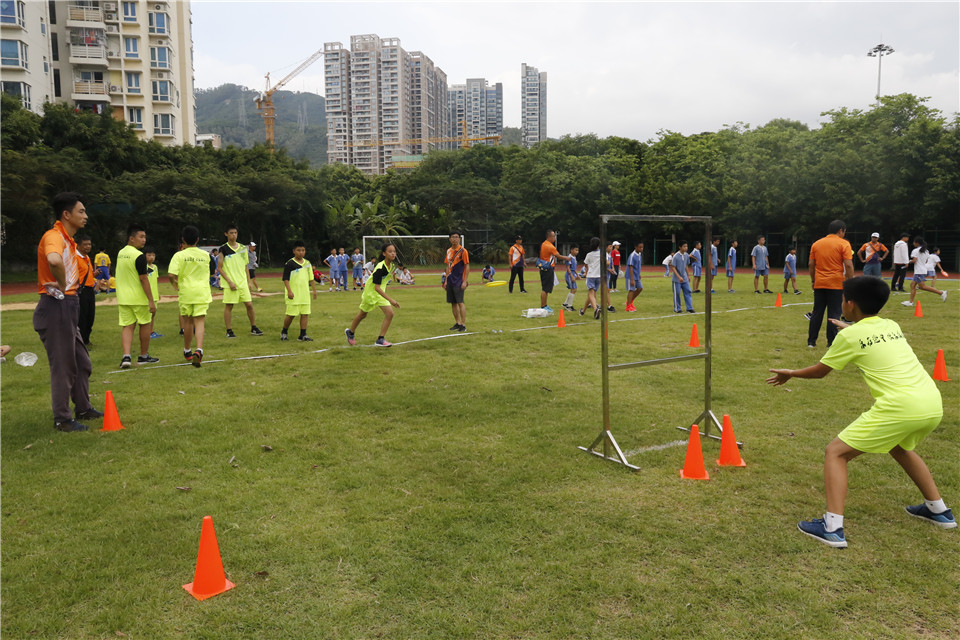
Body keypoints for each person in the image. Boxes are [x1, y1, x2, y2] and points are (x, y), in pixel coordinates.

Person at [766, 276, 955, 548]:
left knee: (836, 452)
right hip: (931, 403)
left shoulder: (850, 336)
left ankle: (832, 527)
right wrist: (848, 328)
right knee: (900, 447)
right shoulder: (891, 325)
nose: (842, 302)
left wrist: (791, 373)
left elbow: (820, 372)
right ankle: (939, 510)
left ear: (850, 304)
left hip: (899, 407)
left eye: (843, 298)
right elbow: (868, 336)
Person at [34, 192, 101, 431]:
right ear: (66, 214)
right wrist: (62, 284)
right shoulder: (54, 236)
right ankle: (62, 419)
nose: (85, 216)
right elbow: (53, 260)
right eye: (81, 211)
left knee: (82, 363)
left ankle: (83, 408)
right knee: (63, 366)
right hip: (56, 307)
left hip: (68, 306)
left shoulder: (70, 241)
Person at [168, 225, 211, 368]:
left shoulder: (179, 255)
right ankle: (199, 349)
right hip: (202, 291)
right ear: (198, 240)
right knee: (200, 321)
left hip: (186, 291)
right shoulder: (205, 255)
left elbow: (171, 275)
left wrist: (174, 284)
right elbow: (210, 272)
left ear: (183, 240)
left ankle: (187, 350)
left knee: (187, 322)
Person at [116, 223, 158, 369]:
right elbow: (143, 278)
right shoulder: (139, 256)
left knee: (127, 326)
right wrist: (151, 301)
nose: (144, 240)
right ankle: (143, 355)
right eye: (141, 237)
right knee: (145, 325)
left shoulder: (121, 253)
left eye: (145, 237)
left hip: (123, 298)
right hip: (138, 298)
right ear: (131, 238)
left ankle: (126, 356)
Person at [808, 220, 854, 348]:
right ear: (841, 230)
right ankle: (831, 342)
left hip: (820, 282)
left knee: (817, 312)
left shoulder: (817, 244)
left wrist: (813, 279)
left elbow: (811, 264)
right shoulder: (844, 244)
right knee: (834, 313)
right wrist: (850, 281)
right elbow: (848, 265)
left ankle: (811, 341)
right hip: (836, 283)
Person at [345, 243, 401, 347]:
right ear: (384, 253)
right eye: (390, 251)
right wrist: (391, 300)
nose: (393, 253)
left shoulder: (392, 266)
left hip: (380, 294)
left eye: (394, 251)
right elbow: (376, 287)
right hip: (371, 293)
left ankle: (380, 339)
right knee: (363, 314)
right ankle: (350, 332)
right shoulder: (380, 267)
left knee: (390, 314)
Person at [219, 224, 264, 338]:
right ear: (226, 234)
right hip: (231, 283)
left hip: (242, 282)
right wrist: (229, 282)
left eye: (235, 233)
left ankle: (253, 327)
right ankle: (229, 331)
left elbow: (245, 266)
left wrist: (248, 282)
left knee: (249, 305)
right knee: (229, 306)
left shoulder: (243, 248)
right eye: (231, 233)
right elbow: (219, 267)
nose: (233, 235)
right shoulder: (223, 249)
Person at [281, 240, 318, 341]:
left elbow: (311, 278)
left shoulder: (307, 263)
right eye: (298, 250)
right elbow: (285, 279)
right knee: (291, 315)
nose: (301, 252)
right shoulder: (290, 263)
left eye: (303, 250)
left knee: (305, 314)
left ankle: (303, 335)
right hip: (293, 294)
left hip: (304, 294)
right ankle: (284, 332)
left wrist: (314, 291)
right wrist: (289, 291)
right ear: (294, 251)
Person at [902, 237, 947, 307]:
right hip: (923, 270)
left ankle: (941, 292)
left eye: (914, 242)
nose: (913, 243)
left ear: (917, 243)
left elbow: (914, 260)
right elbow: (926, 260)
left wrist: (907, 262)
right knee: (912, 285)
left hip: (919, 271)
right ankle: (910, 302)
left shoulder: (915, 251)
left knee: (922, 286)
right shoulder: (926, 251)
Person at [443, 231, 470, 332]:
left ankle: (463, 324)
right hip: (450, 280)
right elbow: (447, 266)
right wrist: (445, 280)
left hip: (459, 280)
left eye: (456, 237)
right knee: (453, 303)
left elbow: (467, 266)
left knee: (460, 302)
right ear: (450, 239)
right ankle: (457, 322)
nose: (454, 239)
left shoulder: (463, 251)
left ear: (459, 239)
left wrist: (465, 281)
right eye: (453, 237)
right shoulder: (448, 251)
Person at [538, 230, 571, 312]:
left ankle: (544, 305)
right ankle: (543, 306)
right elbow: (558, 256)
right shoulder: (550, 246)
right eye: (553, 236)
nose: (555, 238)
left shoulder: (543, 244)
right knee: (545, 289)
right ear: (549, 237)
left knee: (545, 288)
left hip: (543, 267)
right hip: (548, 268)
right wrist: (567, 258)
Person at [75, 234, 98, 346]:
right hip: (80, 290)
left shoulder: (87, 257)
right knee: (82, 317)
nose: (88, 247)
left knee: (90, 315)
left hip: (90, 289)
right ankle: (81, 341)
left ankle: (86, 339)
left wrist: (93, 275)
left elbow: (85, 273)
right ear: (78, 245)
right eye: (85, 244)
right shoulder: (74, 257)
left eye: (89, 244)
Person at [579, 237, 604, 318]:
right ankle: (583, 311)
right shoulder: (602, 253)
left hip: (591, 276)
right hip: (599, 276)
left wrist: (586, 271)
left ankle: (595, 309)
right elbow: (607, 262)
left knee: (591, 294)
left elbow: (586, 264)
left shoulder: (589, 254)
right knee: (591, 295)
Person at [671, 241, 695, 313]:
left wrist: (688, 275)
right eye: (684, 246)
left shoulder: (687, 255)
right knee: (677, 293)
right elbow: (673, 267)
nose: (686, 248)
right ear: (680, 247)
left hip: (685, 278)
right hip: (676, 279)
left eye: (686, 246)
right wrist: (679, 277)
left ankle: (689, 308)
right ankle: (677, 308)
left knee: (688, 291)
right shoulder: (676, 256)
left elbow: (686, 266)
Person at [144, 246, 163, 339]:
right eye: (149, 255)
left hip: (154, 295)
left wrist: (157, 293)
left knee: (153, 314)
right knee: (148, 315)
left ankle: (151, 332)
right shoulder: (144, 267)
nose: (151, 257)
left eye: (153, 255)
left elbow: (155, 281)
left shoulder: (155, 267)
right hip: (147, 296)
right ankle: (147, 332)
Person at [625, 240, 643, 312]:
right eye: (640, 247)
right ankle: (628, 307)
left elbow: (637, 266)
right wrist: (632, 279)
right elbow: (631, 267)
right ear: (635, 247)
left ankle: (630, 302)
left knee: (640, 288)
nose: (641, 249)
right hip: (631, 276)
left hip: (636, 276)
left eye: (642, 247)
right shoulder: (632, 255)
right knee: (631, 290)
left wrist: (639, 274)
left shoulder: (639, 255)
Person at [562, 244, 580, 311]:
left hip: (572, 274)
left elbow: (574, 268)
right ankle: (569, 305)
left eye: (577, 250)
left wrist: (577, 274)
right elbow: (568, 268)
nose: (577, 252)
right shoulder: (569, 257)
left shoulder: (574, 257)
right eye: (576, 250)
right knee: (574, 289)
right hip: (569, 274)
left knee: (573, 289)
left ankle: (566, 303)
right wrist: (572, 276)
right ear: (571, 250)